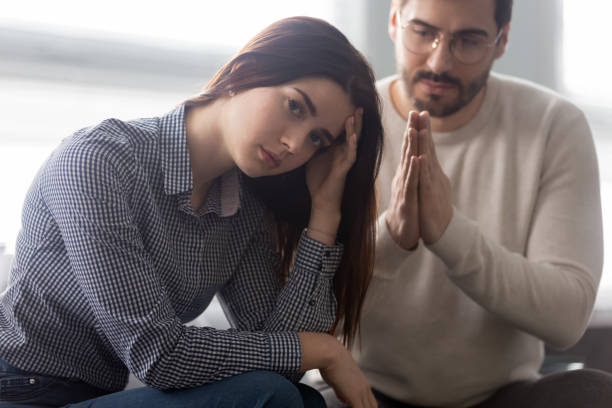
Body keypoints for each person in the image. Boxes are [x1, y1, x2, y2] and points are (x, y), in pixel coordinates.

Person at [0, 16, 384, 408]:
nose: (294, 144)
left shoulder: (244, 212)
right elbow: (159, 355)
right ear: (245, 72)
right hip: (19, 391)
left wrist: (324, 215)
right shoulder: (99, 161)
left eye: (317, 140)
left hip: (96, 395)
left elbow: (283, 361)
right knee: (271, 398)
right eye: (295, 107)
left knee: (298, 399)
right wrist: (327, 351)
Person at [336, 0, 612, 407]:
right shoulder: (347, 125)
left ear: (502, 41)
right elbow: (307, 312)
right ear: (395, 21)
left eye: (468, 40)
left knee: (593, 394)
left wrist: (449, 233)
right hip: (361, 392)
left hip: (502, 396)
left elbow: (567, 317)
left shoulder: (554, 125)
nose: (439, 61)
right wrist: (393, 235)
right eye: (423, 32)